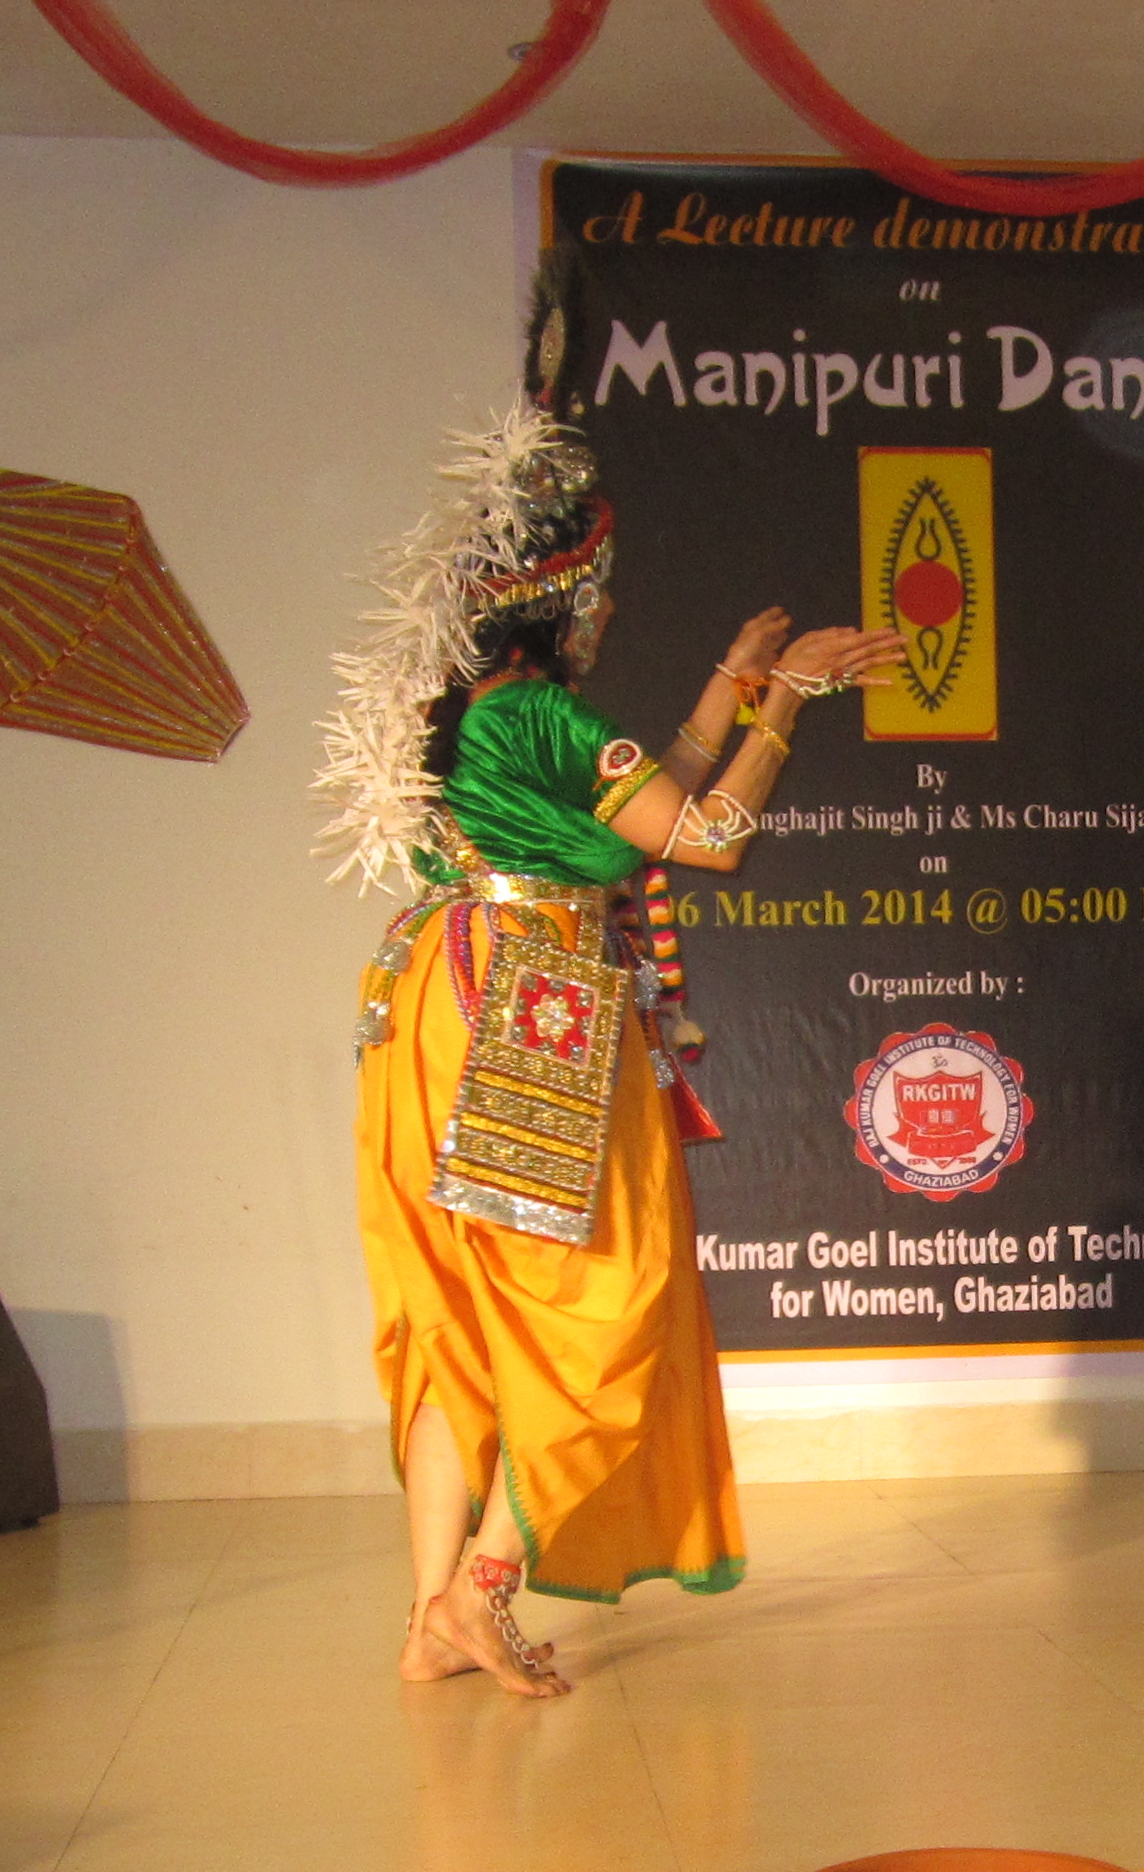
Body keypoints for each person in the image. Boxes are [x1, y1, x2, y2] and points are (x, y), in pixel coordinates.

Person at [319, 279, 890, 1695]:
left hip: (432, 993)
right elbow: (709, 837)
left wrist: (721, 690)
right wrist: (793, 699)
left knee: (460, 1312)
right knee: (608, 1294)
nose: (609, 608)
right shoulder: (544, 713)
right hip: (532, 999)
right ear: (562, 597)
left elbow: (626, 817)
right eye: (602, 591)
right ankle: (487, 1585)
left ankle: (426, 1616)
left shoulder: (462, 713)